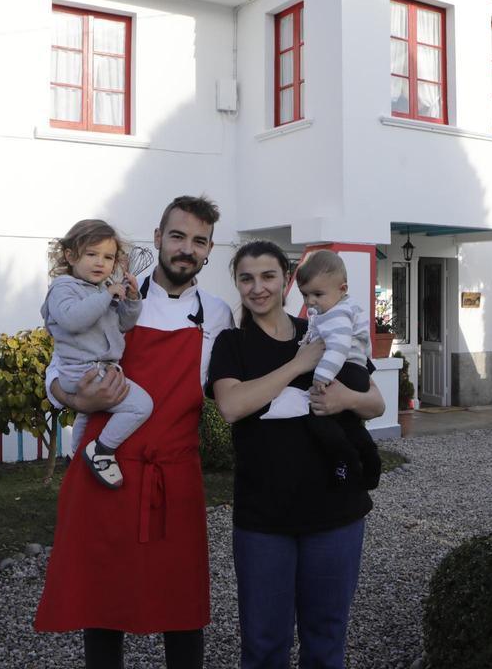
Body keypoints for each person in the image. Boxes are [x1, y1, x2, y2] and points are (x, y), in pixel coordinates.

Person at [34, 196, 235, 669]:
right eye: (178, 236)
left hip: (175, 477)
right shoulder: (115, 291)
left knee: (182, 606)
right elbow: (58, 367)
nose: (187, 248)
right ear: (158, 238)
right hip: (107, 473)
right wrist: (74, 397)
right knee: (102, 606)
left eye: (199, 241)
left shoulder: (219, 315)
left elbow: (231, 389)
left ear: (208, 251)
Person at [207, 240, 386, 669]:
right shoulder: (233, 343)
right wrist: (298, 364)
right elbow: (232, 406)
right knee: (265, 645)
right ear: (237, 284)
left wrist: (344, 399)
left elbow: (376, 402)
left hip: (335, 514)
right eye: (246, 278)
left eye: (268, 276)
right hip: (264, 520)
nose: (257, 288)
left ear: (287, 281)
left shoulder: (324, 326)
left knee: (326, 641)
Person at [42, 219, 146, 489]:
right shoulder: (63, 287)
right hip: (83, 370)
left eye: (108, 257)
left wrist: (132, 299)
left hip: (94, 369)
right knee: (141, 405)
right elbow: (72, 319)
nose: (100, 262)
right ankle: (102, 450)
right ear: (70, 256)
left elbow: (124, 324)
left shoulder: (100, 291)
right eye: (91, 254)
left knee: (86, 417)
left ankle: (78, 459)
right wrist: (107, 295)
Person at [294, 249, 382, 490]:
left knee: (318, 420)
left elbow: (338, 347)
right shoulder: (338, 309)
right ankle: (369, 458)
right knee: (348, 424)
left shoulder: (336, 313)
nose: (310, 301)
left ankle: (347, 458)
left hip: (343, 370)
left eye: (318, 294)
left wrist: (322, 376)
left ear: (342, 289)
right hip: (356, 371)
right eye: (305, 295)